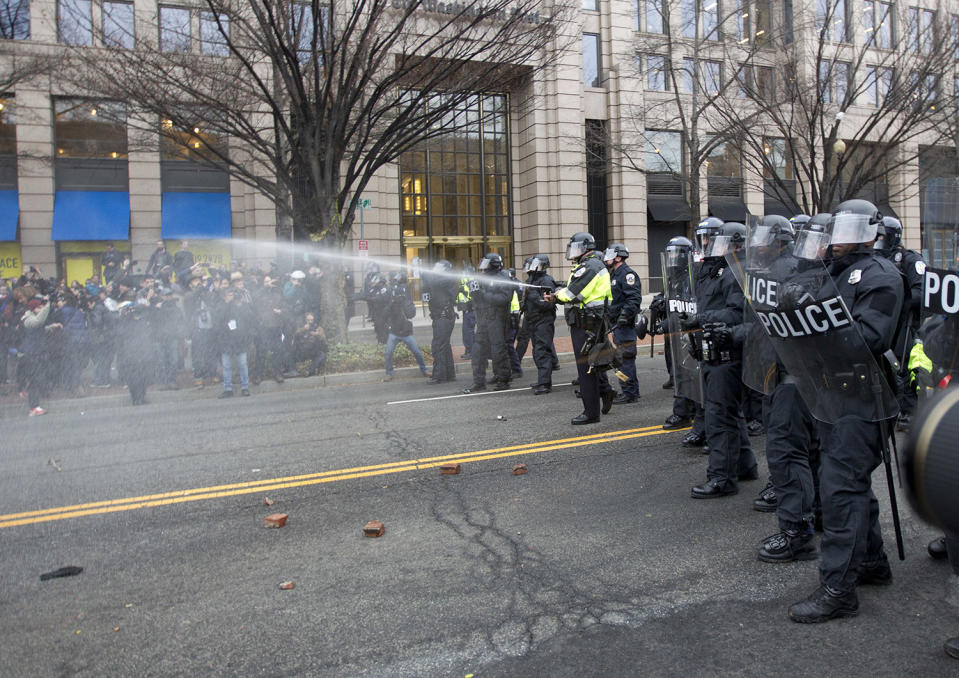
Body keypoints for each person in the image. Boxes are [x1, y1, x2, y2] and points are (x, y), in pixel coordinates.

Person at [787, 199, 904, 623]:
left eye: (855, 228)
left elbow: (867, 337)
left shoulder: (880, 275)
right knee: (850, 485)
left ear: (873, 232)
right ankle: (872, 561)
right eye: (841, 228)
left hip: (864, 398)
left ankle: (839, 590)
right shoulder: (828, 272)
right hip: (830, 394)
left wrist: (812, 329)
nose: (844, 237)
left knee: (840, 491)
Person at [746, 215, 823, 562]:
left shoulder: (790, 272)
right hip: (774, 371)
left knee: (787, 454)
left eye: (765, 238)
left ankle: (797, 532)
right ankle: (814, 516)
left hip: (790, 374)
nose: (758, 243)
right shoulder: (767, 271)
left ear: (781, 241)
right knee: (803, 452)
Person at [681, 220, 757, 498]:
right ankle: (745, 464)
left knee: (718, 416)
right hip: (713, 349)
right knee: (729, 411)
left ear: (737, 244)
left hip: (727, 351)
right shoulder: (715, 270)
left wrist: (702, 318)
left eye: (718, 241)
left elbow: (739, 314)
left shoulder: (738, 271)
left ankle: (722, 478)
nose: (710, 245)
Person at [544, 232, 614, 424]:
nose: (573, 251)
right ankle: (606, 393)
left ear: (585, 248)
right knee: (594, 364)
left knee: (586, 369)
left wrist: (556, 296)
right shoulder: (589, 265)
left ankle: (591, 413)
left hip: (587, 324)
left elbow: (573, 292)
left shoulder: (590, 266)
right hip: (589, 323)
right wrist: (559, 292)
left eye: (575, 247)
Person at [874, 215, 926, 432]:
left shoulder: (910, 259)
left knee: (903, 366)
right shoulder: (875, 259)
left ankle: (910, 412)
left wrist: (899, 298)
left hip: (905, 324)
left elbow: (922, 291)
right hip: (883, 320)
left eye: (883, 237)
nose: (879, 241)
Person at [660, 235, 705, 444]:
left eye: (677, 253)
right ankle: (682, 411)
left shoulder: (694, 273)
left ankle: (698, 417)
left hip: (692, 330)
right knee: (680, 372)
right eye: (671, 254)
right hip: (677, 331)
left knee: (695, 375)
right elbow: (669, 295)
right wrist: (661, 302)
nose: (673, 258)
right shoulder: (673, 275)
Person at [463, 253, 513, 392]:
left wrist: (483, 294)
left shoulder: (503, 277)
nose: (483, 266)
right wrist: (474, 291)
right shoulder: (482, 277)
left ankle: (503, 379)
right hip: (483, 319)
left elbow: (504, 298)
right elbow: (477, 298)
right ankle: (479, 382)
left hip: (497, 318)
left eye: (486, 263)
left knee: (498, 349)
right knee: (478, 350)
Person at [603, 243, 642, 404]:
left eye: (611, 255)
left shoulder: (627, 274)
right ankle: (630, 390)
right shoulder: (614, 274)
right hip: (617, 324)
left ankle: (630, 392)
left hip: (624, 325)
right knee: (622, 358)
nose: (607, 259)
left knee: (626, 358)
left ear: (618, 257)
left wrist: (624, 316)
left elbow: (633, 299)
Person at [522, 254, 557, 394]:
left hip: (544, 320)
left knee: (542, 351)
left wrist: (534, 297)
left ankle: (545, 384)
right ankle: (542, 380)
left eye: (538, 265)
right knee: (537, 351)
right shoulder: (532, 279)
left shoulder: (546, 281)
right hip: (533, 320)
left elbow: (549, 304)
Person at [383, 271, 427, 381]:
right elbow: (385, 314)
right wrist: (392, 302)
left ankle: (424, 370)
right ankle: (389, 373)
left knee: (416, 352)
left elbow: (411, 314)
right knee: (388, 353)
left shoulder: (407, 301)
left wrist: (404, 303)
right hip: (394, 331)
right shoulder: (391, 301)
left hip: (406, 332)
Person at [215, 281, 254, 398]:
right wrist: (227, 303)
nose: (233, 296)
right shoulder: (221, 304)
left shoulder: (242, 304)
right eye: (230, 294)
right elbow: (219, 318)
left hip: (240, 339)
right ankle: (228, 389)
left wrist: (240, 304)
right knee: (226, 366)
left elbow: (249, 317)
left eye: (234, 294)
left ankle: (245, 387)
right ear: (225, 296)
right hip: (226, 340)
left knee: (243, 364)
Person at [423, 259, 459, 384]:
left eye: (437, 266)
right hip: (440, 316)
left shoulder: (447, 278)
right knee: (445, 346)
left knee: (438, 346)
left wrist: (425, 273)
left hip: (444, 317)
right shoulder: (439, 279)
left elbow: (433, 282)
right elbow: (427, 288)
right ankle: (449, 374)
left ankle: (439, 376)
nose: (434, 267)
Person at [252, 275, 288, 384]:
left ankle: (277, 373)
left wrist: (281, 312)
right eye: (266, 281)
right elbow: (255, 298)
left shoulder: (277, 293)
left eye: (270, 281)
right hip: (263, 328)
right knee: (261, 352)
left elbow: (286, 307)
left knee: (277, 352)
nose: (269, 283)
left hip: (275, 327)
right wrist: (265, 287)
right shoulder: (259, 294)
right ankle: (258, 375)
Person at [457, 262, 476, 359]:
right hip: (467, 311)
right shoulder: (465, 283)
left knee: (468, 332)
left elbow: (474, 297)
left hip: (470, 311)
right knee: (469, 332)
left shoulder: (471, 283)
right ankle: (471, 350)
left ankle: (470, 352)